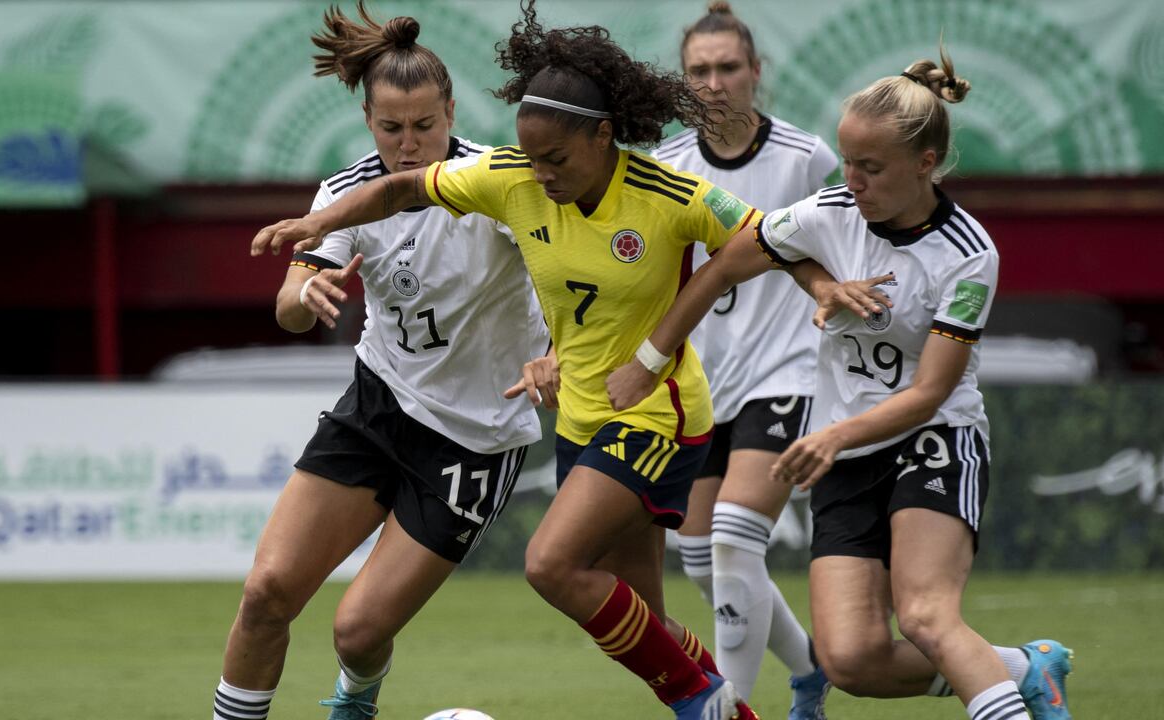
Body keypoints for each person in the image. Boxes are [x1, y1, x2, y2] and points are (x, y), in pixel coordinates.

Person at [249, 2, 865, 715]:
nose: (540, 175)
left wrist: (819, 288)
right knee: (645, 623)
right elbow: (400, 189)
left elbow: (765, 239)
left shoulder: (667, 192)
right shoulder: (511, 179)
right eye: (531, 158)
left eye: (556, 160)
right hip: (582, 417)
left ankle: (701, 699)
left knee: (549, 564)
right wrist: (320, 222)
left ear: (602, 137)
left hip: (658, 414)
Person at [606, 46, 1073, 720]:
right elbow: (724, 265)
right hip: (847, 458)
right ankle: (1024, 667)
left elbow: (930, 393)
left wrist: (833, 435)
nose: (851, 180)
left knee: (925, 616)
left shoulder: (970, 254)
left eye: (870, 168)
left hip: (933, 442)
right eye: (848, 162)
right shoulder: (827, 212)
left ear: (926, 163)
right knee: (851, 661)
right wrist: (649, 360)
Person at [213, 5, 548, 720]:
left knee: (358, 632)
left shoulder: (498, 183)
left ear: (451, 111)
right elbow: (289, 304)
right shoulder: (345, 195)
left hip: (473, 440)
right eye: (391, 127)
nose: (409, 144)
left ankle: (355, 700)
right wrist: (307, 294)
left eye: (424, 125)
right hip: (378, 407)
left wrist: (554, 355)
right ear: (367, 119)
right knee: (266, 592)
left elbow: (569, 281)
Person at [655, 3, 836, 716]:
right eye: (699, 70)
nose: (714, 83)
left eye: (728, 67)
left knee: (734, 540)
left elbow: (842, 251)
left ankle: (727, 709)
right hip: (702, 387)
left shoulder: (806, 158)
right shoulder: (665, 167)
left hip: (787, 372)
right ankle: (811, 668)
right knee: (704, 562)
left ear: (756, 72)